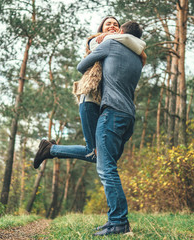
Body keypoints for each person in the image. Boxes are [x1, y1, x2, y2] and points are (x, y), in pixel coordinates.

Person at [33, 17, 146, 168]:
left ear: (120, 30)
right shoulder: (97, 40)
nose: (112, 26)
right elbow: (86, 61)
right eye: (108, 24)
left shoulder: (118, 44)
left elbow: (137, 53)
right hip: (91, 97)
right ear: (101, 29)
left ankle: (51, 149)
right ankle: (50, 149)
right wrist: (108, 37)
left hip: (108, 103)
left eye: (115, 25)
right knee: (95, 153)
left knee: (102, 154)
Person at [76, 21, 144, 236]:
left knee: (107, 170)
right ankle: (113, 220)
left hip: (112, 114)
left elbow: (81, 66)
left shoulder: (112, 44)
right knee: (108, 165)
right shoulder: (138, 57)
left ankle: (118, 222)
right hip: (128, 117)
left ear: (122, 32)